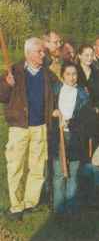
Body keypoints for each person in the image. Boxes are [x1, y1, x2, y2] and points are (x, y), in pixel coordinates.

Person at [0, 37, 57, 221]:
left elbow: (57, 93)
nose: (43, 54)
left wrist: (55, 109)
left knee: (37, 167)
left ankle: (30, 203)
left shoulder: (47, 74)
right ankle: (16, 207)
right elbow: (2, 96)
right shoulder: (14, 71)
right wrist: (7, 84)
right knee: (16, 166)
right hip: (19, 127)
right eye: (39, 51)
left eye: (43, 51)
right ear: (28, 53)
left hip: (40, 126)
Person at [50, 62, 93, 217]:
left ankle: (71, 208)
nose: (71, 77)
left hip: (75, 137)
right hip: (58, 137)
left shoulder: (83, 93)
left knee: (73, 173)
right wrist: (54, 113)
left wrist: (71, 123)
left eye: (74, 74)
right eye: (68, 74)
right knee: (59, 173)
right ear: (62, 76)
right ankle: (58, 209)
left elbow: (87, 118)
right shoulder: (55, 90)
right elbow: (48, 108)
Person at [76, 44, 99, 151]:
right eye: (86, 55)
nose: (89, 58)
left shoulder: (98, 74)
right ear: (79, 56)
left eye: (91, 55)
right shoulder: (74, 72)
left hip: (95, 115)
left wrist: (98, 108)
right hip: (78, 116)